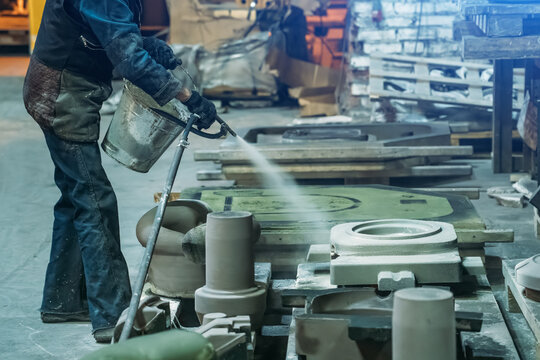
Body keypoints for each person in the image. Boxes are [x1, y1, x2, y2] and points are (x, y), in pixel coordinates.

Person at [23, 0, 217, 343]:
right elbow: (128, 60)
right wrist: (187, 96)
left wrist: (154, 48)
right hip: (60, 93)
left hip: (69, 85)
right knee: (94, 200)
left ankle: (62, 301)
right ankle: (113, 315)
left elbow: (112, 34)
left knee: (75, 197)